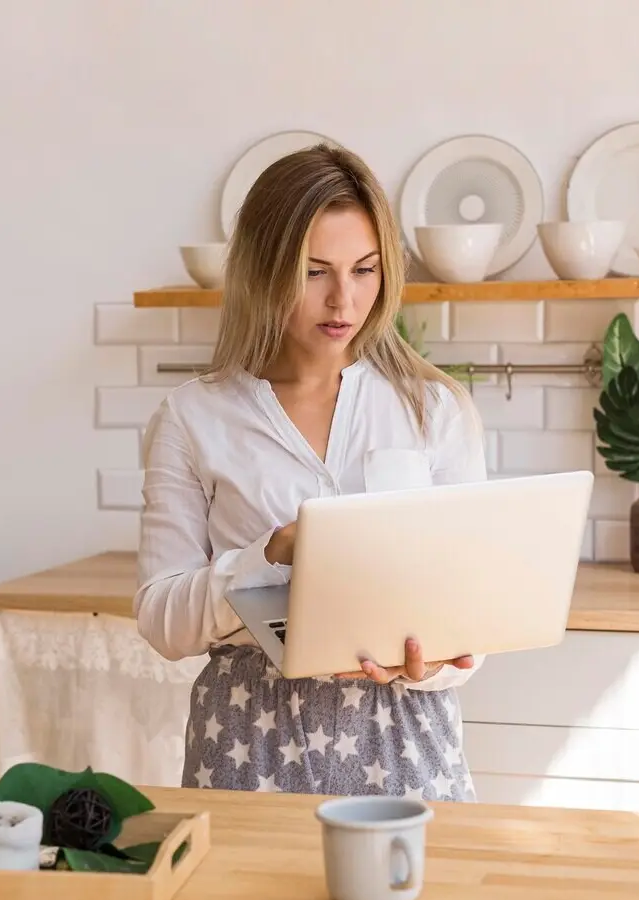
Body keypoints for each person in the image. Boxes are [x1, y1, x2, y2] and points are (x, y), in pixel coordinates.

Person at [134, 143, 489, 801]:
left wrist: (432, 665)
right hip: (246, 742)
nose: (342, 300)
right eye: (315, 271)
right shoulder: (192, 416)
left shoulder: (434, 410)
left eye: (364, 269)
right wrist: (266, 556)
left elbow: (468, 630)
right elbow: (161, 620)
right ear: (263, 271)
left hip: (404, 745)